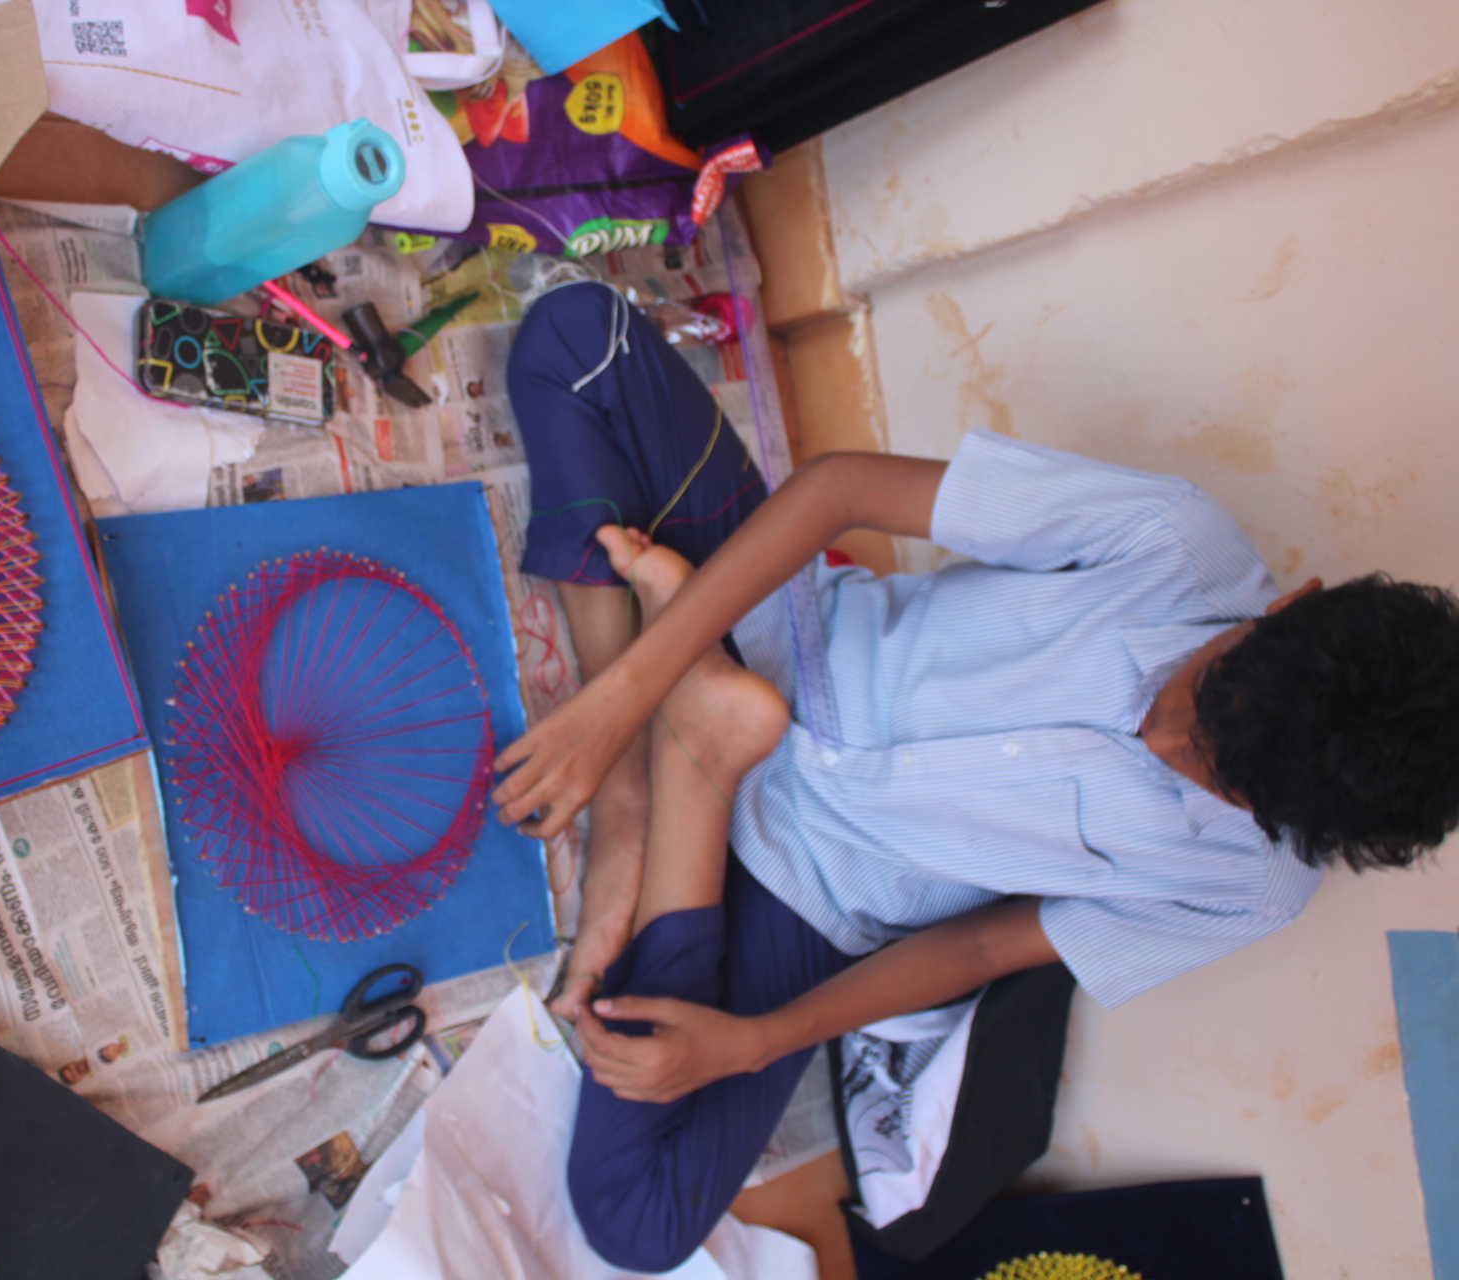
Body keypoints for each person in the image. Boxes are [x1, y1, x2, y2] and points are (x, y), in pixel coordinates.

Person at [497, 281, 1459, 1272]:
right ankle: (641, 784)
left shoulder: (1254, 886)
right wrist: (622, 701)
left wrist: (755, 1043)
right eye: (1200, 692)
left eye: (1215, 778)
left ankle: (690, 758)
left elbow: (992, 941)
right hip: (784, 633)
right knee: (578, 337)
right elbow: (839, 490)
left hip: (820, 888)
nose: (1164, 741)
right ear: (1289, 604)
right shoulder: (1176, 539)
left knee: (637, 1221)